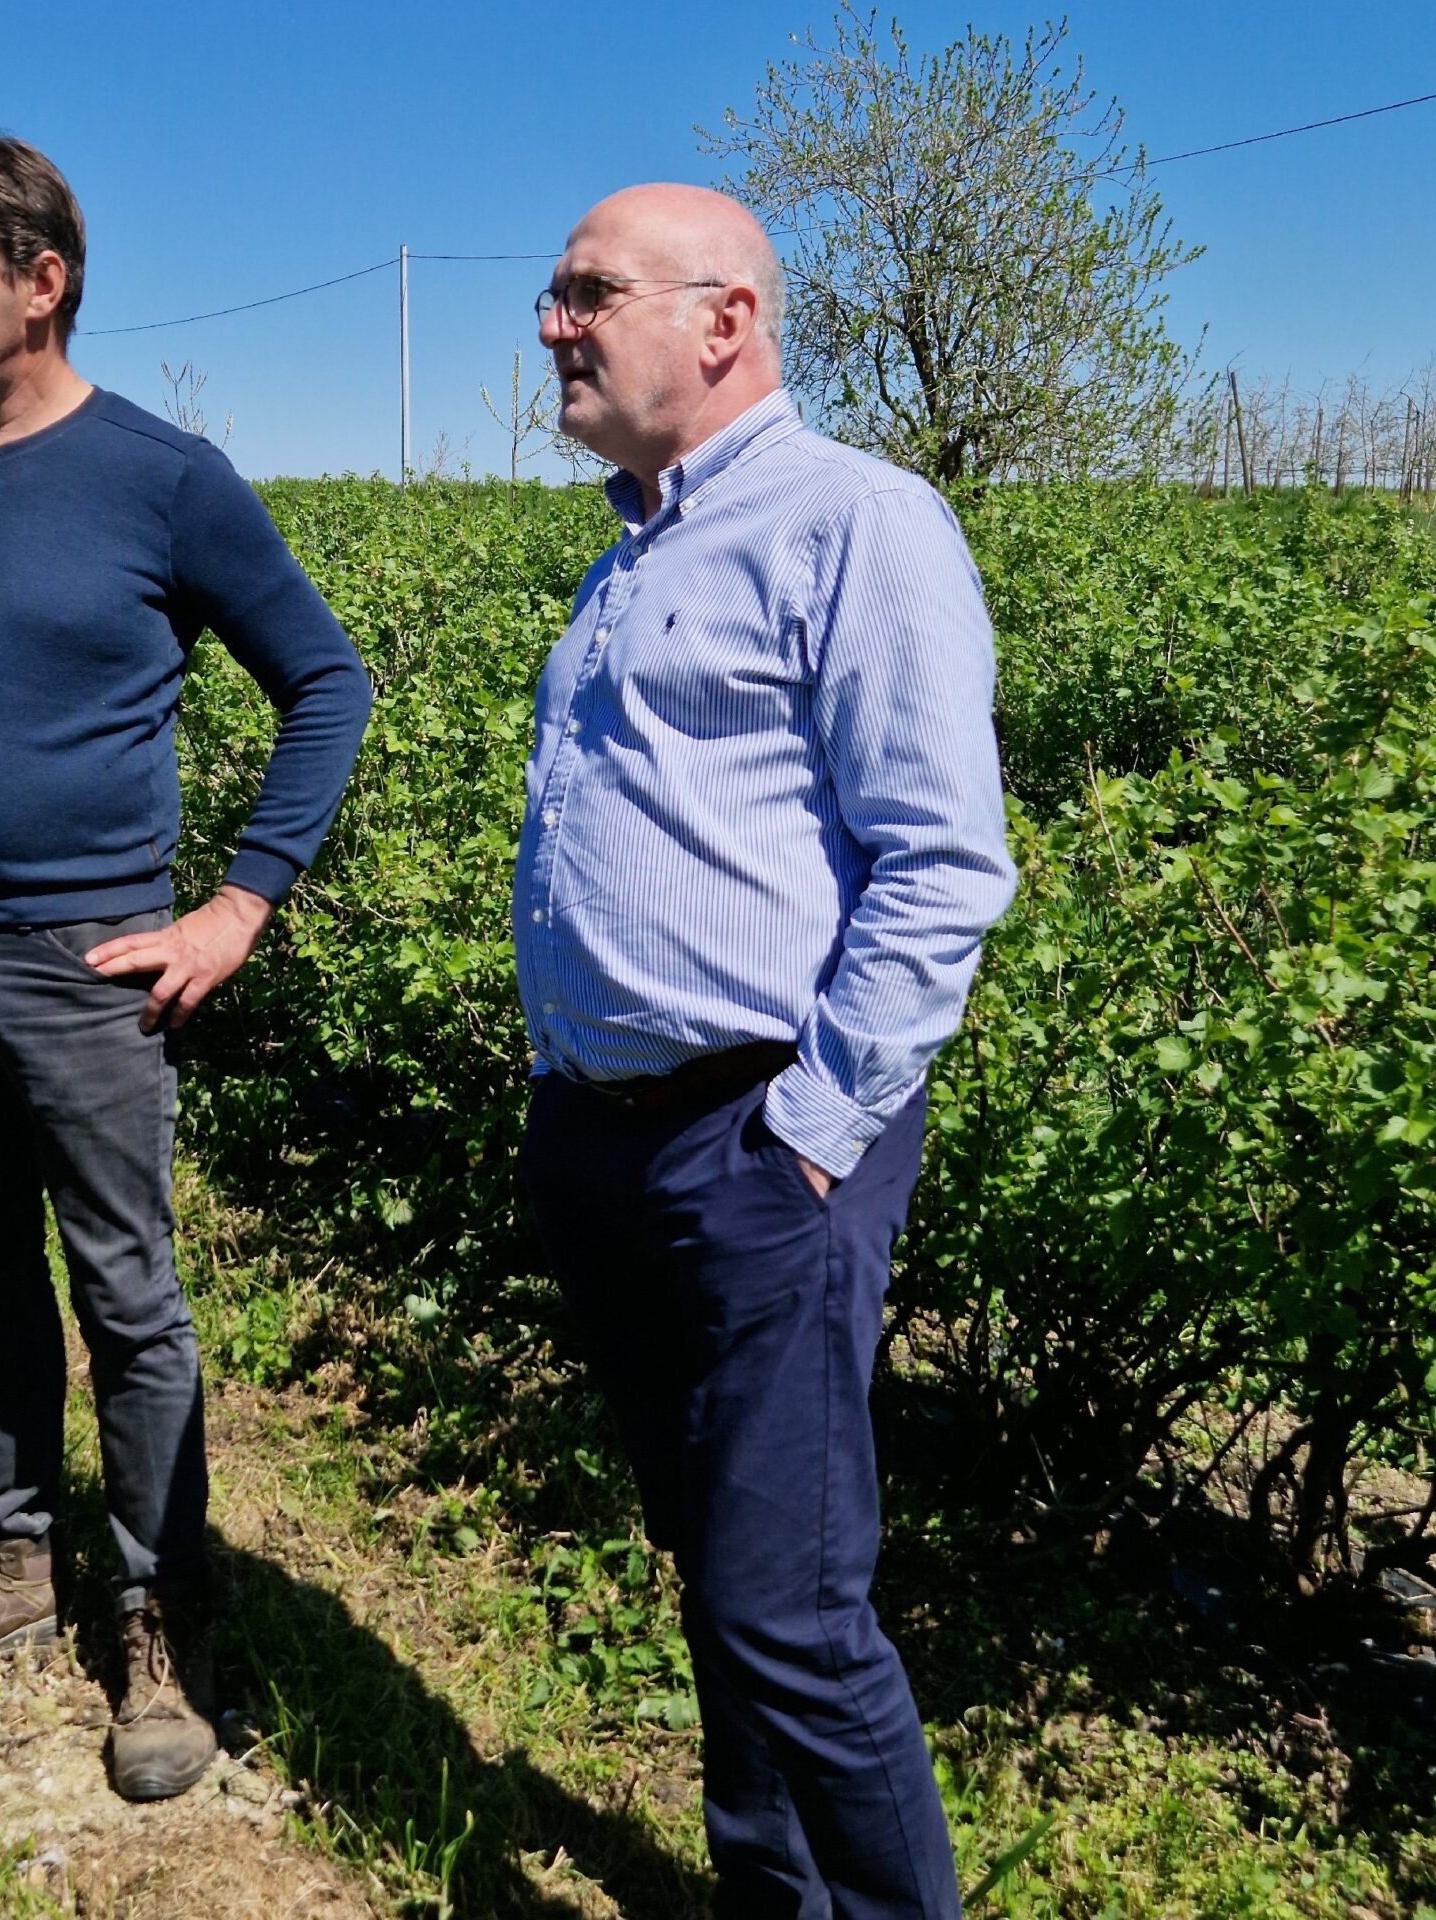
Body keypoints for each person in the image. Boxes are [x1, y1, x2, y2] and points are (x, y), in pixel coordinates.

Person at [0, 129, 372, 1803]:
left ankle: (162, 1617)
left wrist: (240, 903)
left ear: (41, 284)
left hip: (86, 966)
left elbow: (325, 684)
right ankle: (1, 1555)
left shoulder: (163, 478)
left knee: (128, 1300)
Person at [513, 183, 1016, 1918]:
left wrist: (809, 1131)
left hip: (760, 1145)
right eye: (553, 298)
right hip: (606, 1140)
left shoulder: (857, 524)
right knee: (716, 1570)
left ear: (722, 320)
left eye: (590, 293)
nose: (555, 326)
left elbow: (943, 861)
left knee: (789, 1609)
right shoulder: (630, 549)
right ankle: (767, 1900)